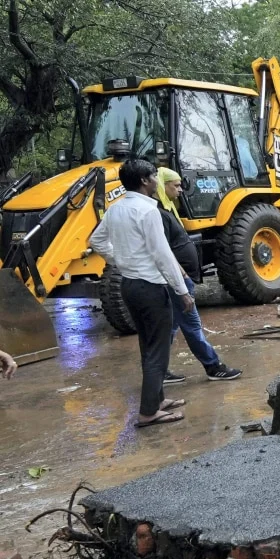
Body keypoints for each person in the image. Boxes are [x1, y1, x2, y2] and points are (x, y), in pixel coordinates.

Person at [89, 159, 191, 427]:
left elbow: (96, 241)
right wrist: (182, 291)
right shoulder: (148, 212)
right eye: (155, 176)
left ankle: (157, 400)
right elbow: (162, 254)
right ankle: (148, 412)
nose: (157, 180)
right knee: (158, 350)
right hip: (150, 287)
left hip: (130, 285)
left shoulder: (116, 209)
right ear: (145, 181)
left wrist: (121, 260)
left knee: (148, 345)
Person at [156, 168, 242, 383]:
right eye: (175, 186)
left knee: (171, 325)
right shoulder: (158, 214)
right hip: (178, 280)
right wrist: (181, 273)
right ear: (162, 186)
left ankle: (159, 370)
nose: (180, 190)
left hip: (179, 278)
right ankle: (213, 367)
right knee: (192, 325)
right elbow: (163, 249)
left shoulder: (168, 210)